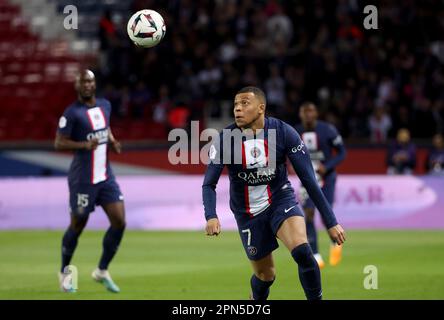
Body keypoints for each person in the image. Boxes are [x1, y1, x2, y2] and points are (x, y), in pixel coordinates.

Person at [202, 87, 345, 300]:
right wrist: (211, 215)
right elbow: (208, 184)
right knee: (265, 276)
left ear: (261, 108)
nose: (237, 109)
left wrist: (331, 221)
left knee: (302, 252)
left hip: (280, 199)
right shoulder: (225, 139)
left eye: (244, 104)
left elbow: (309, 180)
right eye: (235, 105)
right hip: (247, 212)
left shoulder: (284, 132)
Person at [54, 69, 126, 293]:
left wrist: (112, 141)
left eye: (90, 81)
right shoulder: (71, 113)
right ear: (77, 86)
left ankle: (101, 270)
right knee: (78, 223)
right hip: (83, 179)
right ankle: (65, 273)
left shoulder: (105, 105)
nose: (87, 85)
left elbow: (105, 128)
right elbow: (59, 143)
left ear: (95, 85)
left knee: (119, 221)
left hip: (105, 176)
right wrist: (83, 145)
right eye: (83, 82)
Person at [295, 102, 346, 269]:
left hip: (327, 178)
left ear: (316, 114)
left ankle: (335, 242)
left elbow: (342, 152)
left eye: (311, 111)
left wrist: (328, 166)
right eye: (305, 111)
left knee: (326, 214)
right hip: (307, 179)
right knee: (308, 214)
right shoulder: (294, 132)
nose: (308, 114)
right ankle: (316, 254)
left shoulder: (327, 130)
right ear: (300, 114)